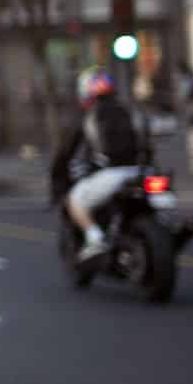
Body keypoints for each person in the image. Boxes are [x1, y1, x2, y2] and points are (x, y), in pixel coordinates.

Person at [50, 66, 150, 262]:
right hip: (142, 171)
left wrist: (57, 175)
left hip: (111, 174)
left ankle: (94, 237)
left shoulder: (89, 116)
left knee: (75, 201)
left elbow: (65, 152)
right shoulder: (128, 109)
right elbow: (147, 141)